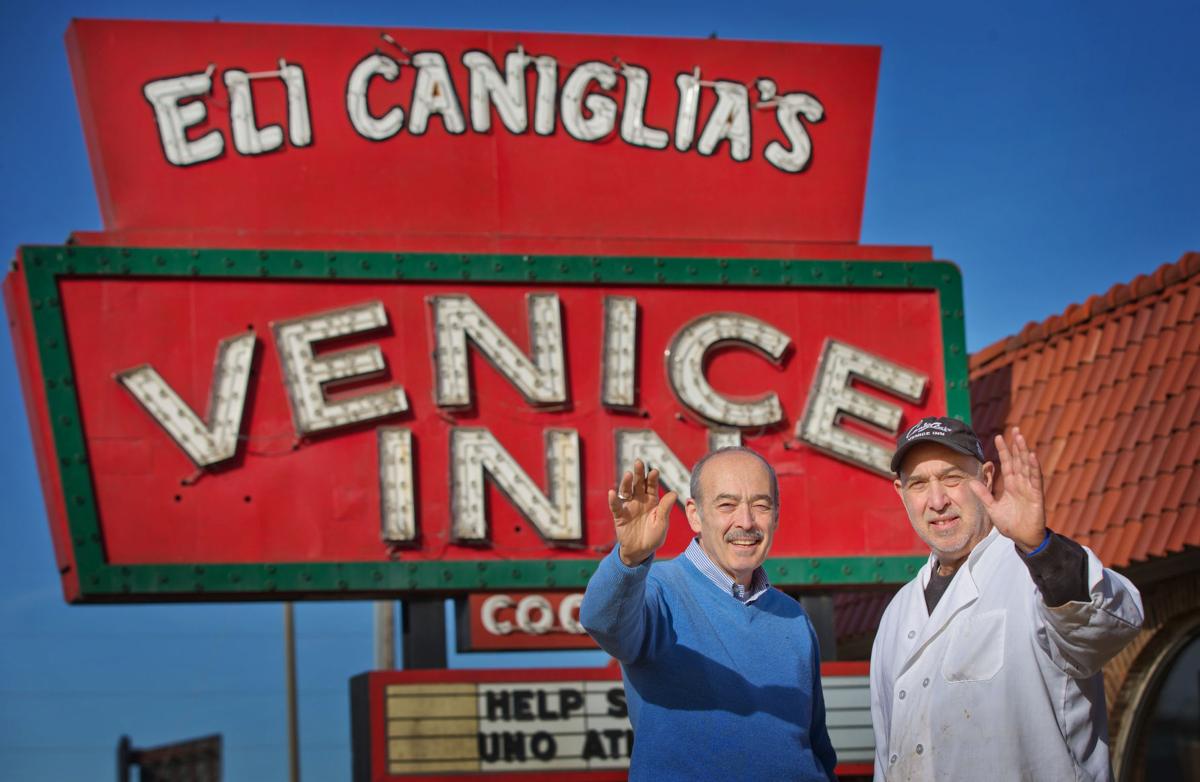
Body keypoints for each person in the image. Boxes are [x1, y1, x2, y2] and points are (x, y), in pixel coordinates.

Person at [870, 417, 1144, 781]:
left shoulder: (1036, 571)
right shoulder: (896, 614)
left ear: (985, 478)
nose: (937, 501)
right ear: (900, 493)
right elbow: (886, 757)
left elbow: (1105, 628)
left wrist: (1041, 548)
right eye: (919, 483)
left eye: (952, 478)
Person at [580, 448, 837, 781]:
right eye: (726, 505)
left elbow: (818, 746)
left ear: (775, 516)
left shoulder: (793, 617)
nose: (745, 522)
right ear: (695, 515)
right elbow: (602, 621)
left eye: (760, 505)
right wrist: (628, 560)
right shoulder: (655, 592)